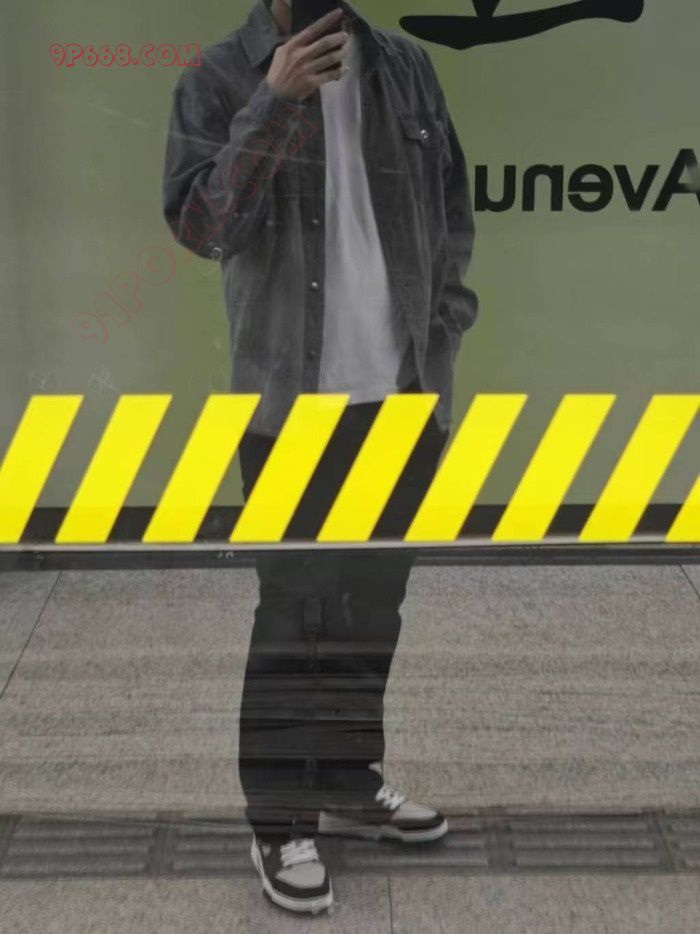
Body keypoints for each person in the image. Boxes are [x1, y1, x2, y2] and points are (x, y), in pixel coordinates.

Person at [162, 0, 478, 915]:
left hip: (400, 393)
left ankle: (345, 778)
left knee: (372, 607)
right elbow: (202, 227)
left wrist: (444, 330)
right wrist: (274, 102)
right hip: (287, 404)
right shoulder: (219, 76)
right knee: (295, 612)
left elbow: (451, 207)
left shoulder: (404, 70)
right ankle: (279, 819)